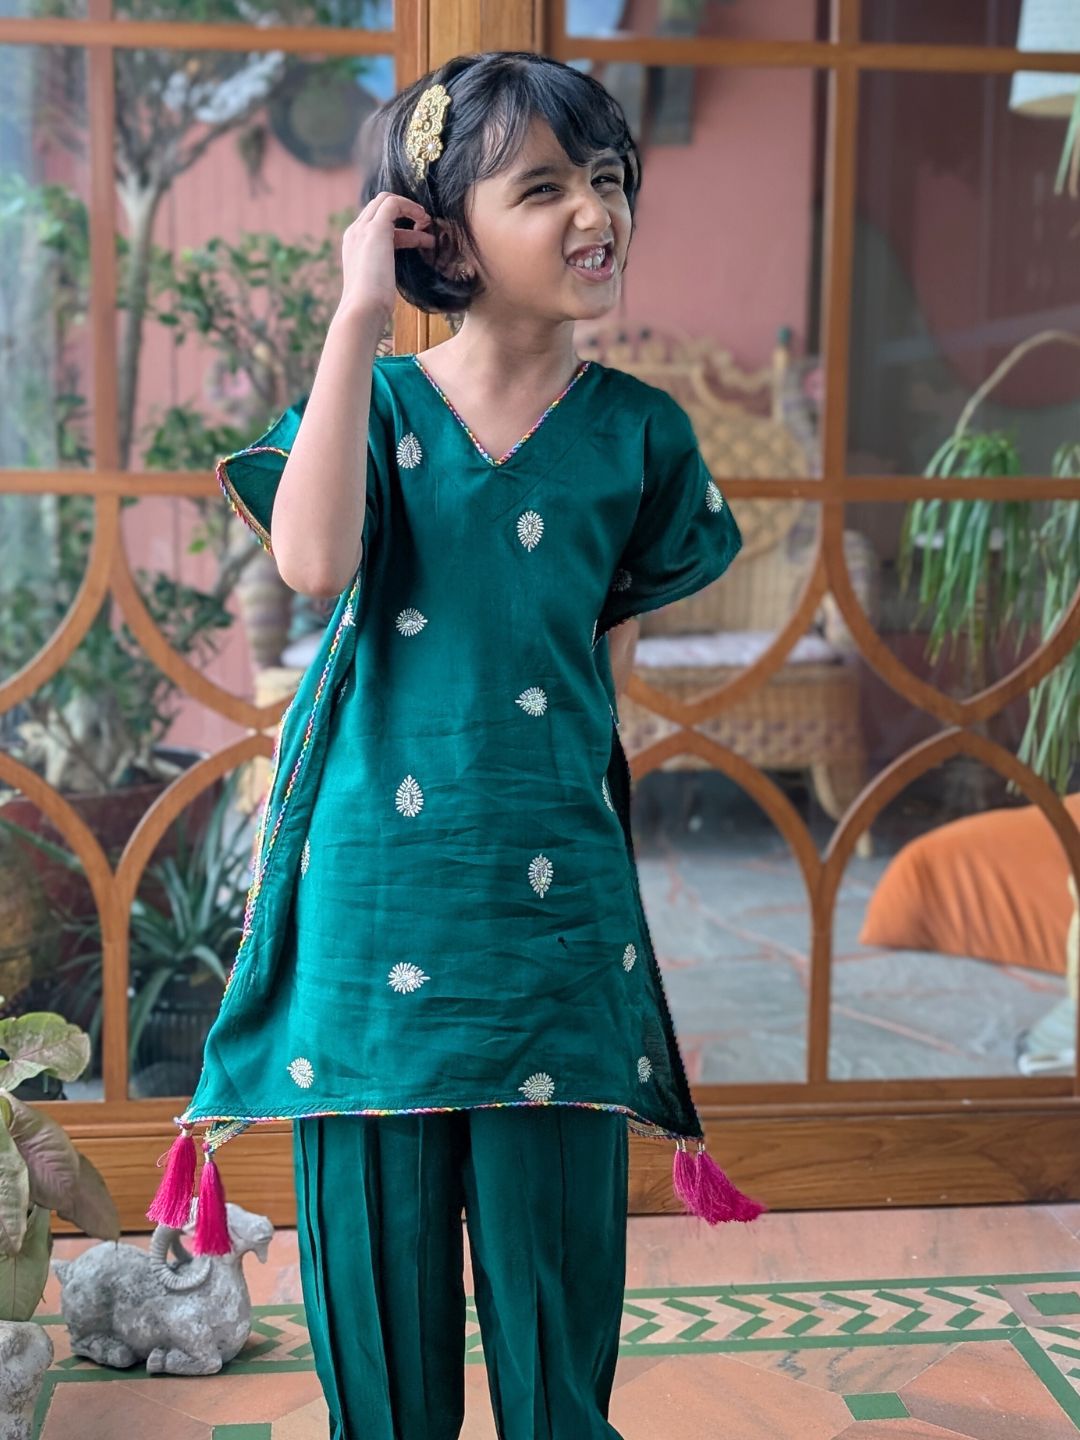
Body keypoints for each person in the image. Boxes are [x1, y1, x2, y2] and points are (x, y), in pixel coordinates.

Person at [148, 50, 765, 1440]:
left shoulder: (643, 438)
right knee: (378, 1324)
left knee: (557, 1320)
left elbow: (600, 693)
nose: (594, 212)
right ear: (443, 232)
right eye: (543, 188)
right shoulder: (380, 405)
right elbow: (310, 562)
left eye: (608, 180)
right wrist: (357, 314)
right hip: (372, 913)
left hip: (551, 919)